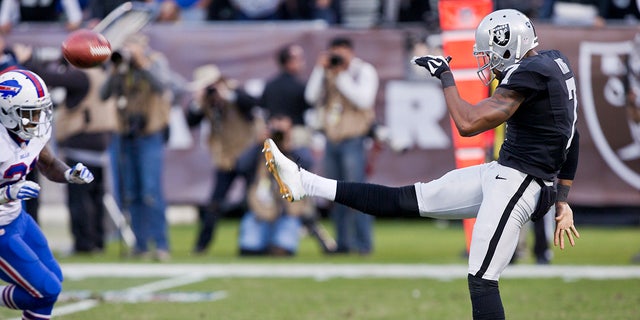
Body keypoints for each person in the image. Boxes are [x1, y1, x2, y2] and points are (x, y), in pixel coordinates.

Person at [264, 9, 581, 319]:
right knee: (404, 199)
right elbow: (573, 135)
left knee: (482, 280)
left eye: (490, 54)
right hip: (506, 175)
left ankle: (306, 183)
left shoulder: (531, 72)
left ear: (508, 44)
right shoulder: (553, 62)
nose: (488, 63)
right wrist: (562, 200)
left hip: (521, 182)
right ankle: (305, 182)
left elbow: (468, 123)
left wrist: (445, 75)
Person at [0, 69, 94, 320]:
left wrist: (67, 174)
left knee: (54, 279)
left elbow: (49, 163)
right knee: (45, 290)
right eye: (31, 112)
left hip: (16, 218)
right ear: (7, 112)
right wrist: (7, 191)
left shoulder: (33, 133)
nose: (39, 118)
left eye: (42, 109)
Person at [304, 36, 379, 255]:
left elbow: (363, 100)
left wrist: (342, 75)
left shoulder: (363, 71)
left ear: (350, 52)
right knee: (334, 194)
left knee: (357, 193)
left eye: (341, 53)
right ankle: (343, 243)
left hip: (353, 139)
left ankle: (363, 244)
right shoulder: (327, 71)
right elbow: (310, 97)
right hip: (331, 138)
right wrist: (320, 70)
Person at [100, 33, 172, 261]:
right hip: (126, 135)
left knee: (150, 191)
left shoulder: (156, 61)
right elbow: (104, 94)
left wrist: (142, 64)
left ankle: (160, 244)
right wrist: (115, 69)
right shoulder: (120, 66)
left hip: (149, 134)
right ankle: (140, 244)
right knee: (130, 191)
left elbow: (162, 86)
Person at [186, 64, 259, 255]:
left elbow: (251, 105)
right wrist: (199, 101)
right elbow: (191, 121)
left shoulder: (234, 91)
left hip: (247, 155)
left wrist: (227, 95)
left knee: (253, 200)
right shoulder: (207, 102)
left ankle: (251, 244)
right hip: (225, 158)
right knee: (214, 203)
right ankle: (201, 245)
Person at [237, 115, 314, 256]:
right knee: (249, 250)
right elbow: (241, 166)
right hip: (260, 212)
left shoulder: (294, 150)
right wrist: (259, 144)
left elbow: (308, 165)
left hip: (287, 214)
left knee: (281, 251)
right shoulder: (260, 151)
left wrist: (288, 147)